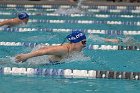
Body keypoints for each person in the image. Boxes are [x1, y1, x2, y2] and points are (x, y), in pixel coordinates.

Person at [15, 30, 87, 63]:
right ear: (75, 42)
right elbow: (44, 51)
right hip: (39, 63)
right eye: (83, 42)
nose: (85, 45)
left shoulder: (72, 50)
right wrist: (26, 56)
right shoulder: (64, 50)